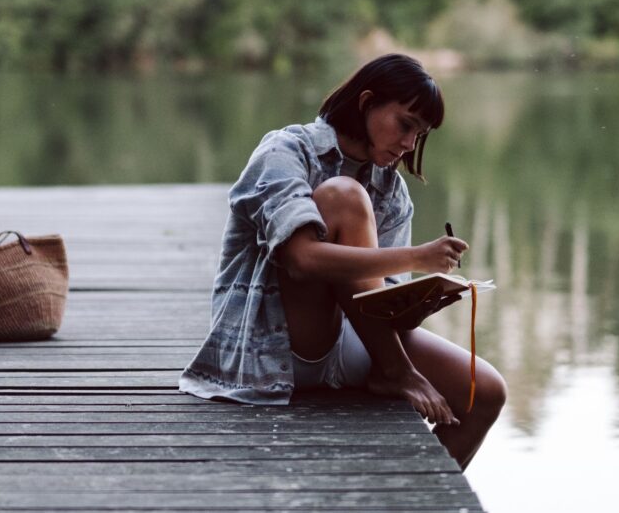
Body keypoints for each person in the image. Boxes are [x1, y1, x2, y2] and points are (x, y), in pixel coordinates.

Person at [179, 53, 506, 469]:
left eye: (419, 135)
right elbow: (301, 260)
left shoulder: (392, 191)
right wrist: (418, 257)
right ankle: (394, 372)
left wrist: (416, 302)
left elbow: (377, 299)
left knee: (486, 391)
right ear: (367, 102)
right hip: (280, 346)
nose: (409, 144)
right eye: (405, 125)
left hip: (359, 341)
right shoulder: (286, 151)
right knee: (344, 197)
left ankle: (411, 495)